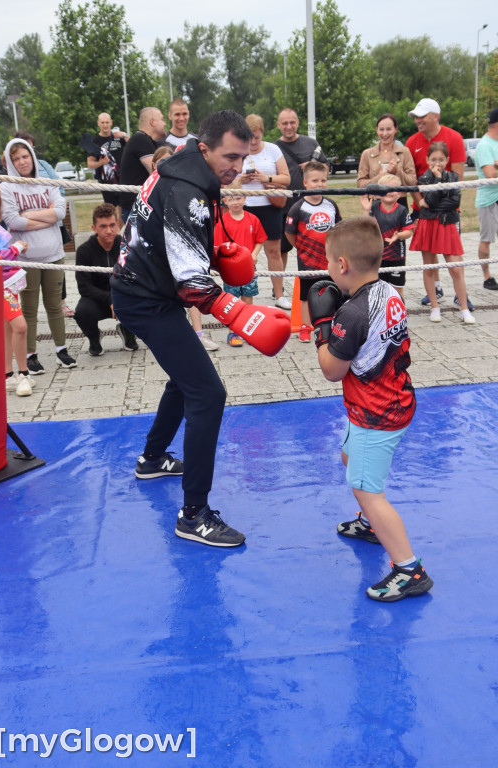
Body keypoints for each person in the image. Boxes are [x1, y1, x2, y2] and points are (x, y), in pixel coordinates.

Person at [111, 110, 291, 547]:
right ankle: (194, 514)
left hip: (143, 289)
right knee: (208, 393)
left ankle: (153, 458)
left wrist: (216, 247)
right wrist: (245, 315)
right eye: (230, 156)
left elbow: (169, 239)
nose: (237, 167)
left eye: (244, 157)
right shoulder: (188, 191)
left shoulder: (179, 166)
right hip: (146, 299)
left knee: (186, 378)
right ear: (205, 147)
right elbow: (193, 284)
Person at [307, 216, 433, 602]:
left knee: (366, 489)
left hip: (374, 413)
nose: (327, 269)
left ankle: (409, 569)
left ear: (342, 265)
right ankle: (369, 523)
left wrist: (322, 326)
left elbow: (331, 370)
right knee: (349, 456)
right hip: (393, 398)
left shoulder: (351, 315)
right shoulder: (388, 292)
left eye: (329, 262)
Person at [0, 138, 77, 374]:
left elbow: (60, 212)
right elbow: (13, 220)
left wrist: (29, 217)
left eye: (25, 156)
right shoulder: (7, 186)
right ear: (10, 162)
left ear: (32, 156)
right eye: (16, 159)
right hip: (26, 258)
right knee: (29, 308)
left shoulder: (47, 180)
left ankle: (61, 349)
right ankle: (31, 355)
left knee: (55, 305)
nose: (22, 162)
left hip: (54, 253)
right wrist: (47, 217)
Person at [151, 145, 219, 352]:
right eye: (161, 164)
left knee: (191, 281)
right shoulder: (151, 191)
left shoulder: (183, 191)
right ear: (153, 166)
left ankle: (198, 333)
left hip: (178, 260)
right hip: (157, 267)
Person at [405, 98, 471, 310]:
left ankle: (462, 297)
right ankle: (436, 290)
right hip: (423, 209)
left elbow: (457, 179)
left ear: (436, 116)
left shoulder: (454, 137)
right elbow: (411, 179)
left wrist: (438, 202)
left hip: (447, 210)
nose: (418, 120)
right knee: (429, 257)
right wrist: (421, 202)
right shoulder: (412, 142)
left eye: (422, 116)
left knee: (454, 257)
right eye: (416, 117)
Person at [409, 142, 474, 324]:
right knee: (429, 267)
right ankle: (435, 307)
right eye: (433, 159)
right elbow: (428, 199)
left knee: (455, 267)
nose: (437, 162)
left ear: (447, 160)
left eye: (441, 159)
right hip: (428, 224)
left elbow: (455, 202)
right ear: (427, 159)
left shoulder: (453, 176)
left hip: (447, 224)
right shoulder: (424, 179)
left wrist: (435, 203)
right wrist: (437, 180)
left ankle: (464, 309)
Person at [14, 130, 74, 317]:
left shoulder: (45, 166)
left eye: (29, 149)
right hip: (27, 239)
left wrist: (33, 213)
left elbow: (59, 193)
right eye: (20, 153)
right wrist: (45, 211)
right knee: (30, 289)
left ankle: (62, 301)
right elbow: (14, 214)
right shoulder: (11, 176)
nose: (25, 157)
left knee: (56, 265)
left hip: (53, 230)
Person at [238, 113, 291, 309]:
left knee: (273, 252)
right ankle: (241, 295)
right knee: (242, 253)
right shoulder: (237, 150)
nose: (252, 141)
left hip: (269, 207)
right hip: (244, 207)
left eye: (256, 137)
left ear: (262, 133)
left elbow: (286, 178)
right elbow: (225, 180)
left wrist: (267, 178)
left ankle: (279, 295)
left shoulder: (273, 149)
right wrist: (240, 181)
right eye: (249, 137)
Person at [0, 178, 33, 397]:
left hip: (5, 280)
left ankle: (8, 375)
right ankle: (23, 374)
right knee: (20, 326)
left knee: (6, 327)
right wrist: (15, 248)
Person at [285, 161, 341, 342]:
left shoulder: (331, 205)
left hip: (330, 260)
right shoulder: (298, 207)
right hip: (307, 261)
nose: (319, 185)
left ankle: (332, 323)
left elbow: (339, 227)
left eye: (323, 180)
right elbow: (289, 233)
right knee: (306, 296)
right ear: (305, 183)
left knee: (332, 291)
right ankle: (305, 327)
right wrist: (301, 248)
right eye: (315, 181)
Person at [74, 203, 138, 356]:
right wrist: (109, 299)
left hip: (122, 295)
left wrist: (118, 297)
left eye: (112, 225)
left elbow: (135, 278)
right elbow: (84, 287)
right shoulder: (84, 251)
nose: (108, 230)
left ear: (118, 225)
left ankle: (128, 331)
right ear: (94, 228)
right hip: (98, 299)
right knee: (82, 312)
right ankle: (94, 337)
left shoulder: (127, 246)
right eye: (103, 226)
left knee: (141, 300)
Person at [276, 108, 329, 274]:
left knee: (313, 246)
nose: (289, 126)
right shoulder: (274, 147)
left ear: (298, 123)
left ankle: (318, 277)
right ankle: (279, 284)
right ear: (279, 125)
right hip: (284, 206)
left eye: (292, 122)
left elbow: (326, 168)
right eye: (285, 123)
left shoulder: (311, 144)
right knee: (282, 249)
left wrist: (313, 167)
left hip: (311, 207)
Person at [214, 183, 267, 346]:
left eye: (238, 198)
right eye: (231, 199)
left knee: (248, 296)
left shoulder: (253, 219)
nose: (235, 202)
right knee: (231, 300)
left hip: (249, 267)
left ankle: (246, 327)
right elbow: (218, 246)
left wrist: (254, 254)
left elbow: (260, 240)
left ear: (244, 198)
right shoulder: (222, 222)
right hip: (230, 269)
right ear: (224, 201)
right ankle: (233, 331)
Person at [360, 173, 414, 302]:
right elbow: (365, 227)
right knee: (377, 289)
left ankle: (400, 316)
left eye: (393, 189)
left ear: (399, 193)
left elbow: (409, 231)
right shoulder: (373, 207)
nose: (389, 192)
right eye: (385, 188)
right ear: (379, 192)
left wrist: (398, 235)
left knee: (397, 289)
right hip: (377, 256)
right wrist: (366, 210)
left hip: (397, 257)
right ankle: (380, 316)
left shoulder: (401, 210)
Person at [357, 113, 417, 208]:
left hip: (399, 204)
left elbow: (413, 183)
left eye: (389, 129)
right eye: (381, 129)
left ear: (395, 129)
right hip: (375, 203)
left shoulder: (404, 152)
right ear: (376, 130)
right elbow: (360, 185)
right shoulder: (367, 154)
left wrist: (397, 172)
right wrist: (380, 177)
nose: (385, 134)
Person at [119, 107, 167, 223]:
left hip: (138, 207)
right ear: (152, 122)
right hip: (136, 209)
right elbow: (158, 173)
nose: (165, 123)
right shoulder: (141, 139)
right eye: (162, 119)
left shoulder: (146, 141)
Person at [86, 112, 128, 226]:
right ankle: (115, 236)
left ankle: (121, 238)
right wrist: (102, 162)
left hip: (122, 178)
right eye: (102, 122)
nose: (105, 125)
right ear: (98, 123)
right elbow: (90, 164)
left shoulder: (118, 137)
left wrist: (123, 134)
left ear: (111, 123)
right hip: (107, 181)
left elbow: (134, 144)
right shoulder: (95, 141)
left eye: (107, 122)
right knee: (111, 212)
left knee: (123, 211)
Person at [474, 107, 498, 290]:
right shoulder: (484, 145)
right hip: (488, 200)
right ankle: (486, 276)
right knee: (486, 239)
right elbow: (491, 174)